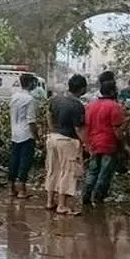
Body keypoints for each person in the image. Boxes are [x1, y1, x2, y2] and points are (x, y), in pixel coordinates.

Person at [45, 74, 88, 215]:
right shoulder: (77, 105)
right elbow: (78, 129)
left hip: (52, 138)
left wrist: (52, 129)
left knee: (53, 170)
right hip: (67, 141)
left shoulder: (55, 99)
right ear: (81, 89)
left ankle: (50, 201)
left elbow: (49, 115)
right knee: (68, 172)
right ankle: (62, 205)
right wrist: (86, 144)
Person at [82, 80, 126, 206]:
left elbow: (85, 126)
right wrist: (122, 146)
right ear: (112, 91)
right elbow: (117, 130)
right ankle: (98, 197)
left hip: (94, 143)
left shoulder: (90, 105)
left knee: (92, 171)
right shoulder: (115, 106)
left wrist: (87, 143)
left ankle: (87, 193)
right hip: (108, 144)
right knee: (105, 173)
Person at [8, 73, 39, 199]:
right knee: (24, 162)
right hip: (26, 134)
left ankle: (11, 188)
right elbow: (31, 120)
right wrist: (36, 135)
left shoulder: (14, 96)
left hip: (14, 132)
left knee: (14, 160)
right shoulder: (30, 99)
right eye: (34, 82)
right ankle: (22, 190)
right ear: (30, 83)